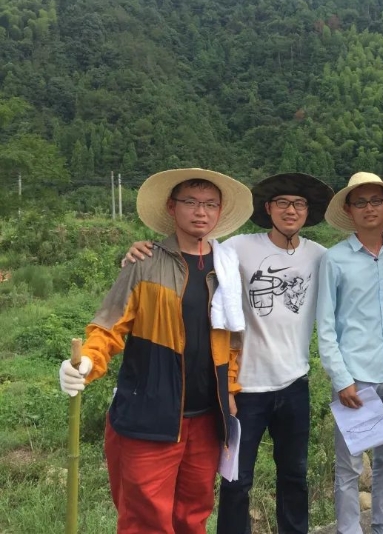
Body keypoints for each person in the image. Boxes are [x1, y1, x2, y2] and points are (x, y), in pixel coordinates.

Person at [124, 172, 335, 534]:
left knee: (294, 475)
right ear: (267, 208)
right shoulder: (237, 248)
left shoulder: (320, 255)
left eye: (299, 204)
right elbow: (192, 250)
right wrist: (141, 249)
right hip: (244, 389)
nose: (291, 210)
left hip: (294, 384)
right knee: (236, 481)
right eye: (282, 203)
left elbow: (356, 263)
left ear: (307, 211)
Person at [58, 168, 253, 534]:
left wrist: (229, 389)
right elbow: (109, 326)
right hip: (149, 413)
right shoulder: (144, 263)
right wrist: (87, 362)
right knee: (145, 519)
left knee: (192, 515)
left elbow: (233, 340)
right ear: (171, 207)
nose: (201, 212)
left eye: (211, 204)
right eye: (191, 202)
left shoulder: (227, 269)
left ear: (219, 211)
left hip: (206, 417)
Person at [316, 172, 383, 534]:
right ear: (349, 209)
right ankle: (349, 530)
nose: (369, 208)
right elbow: (326, 325)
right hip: (355, 378)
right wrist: (342, 379)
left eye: (376, 201)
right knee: (349, 465)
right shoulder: (335, 259)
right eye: (360, 202)